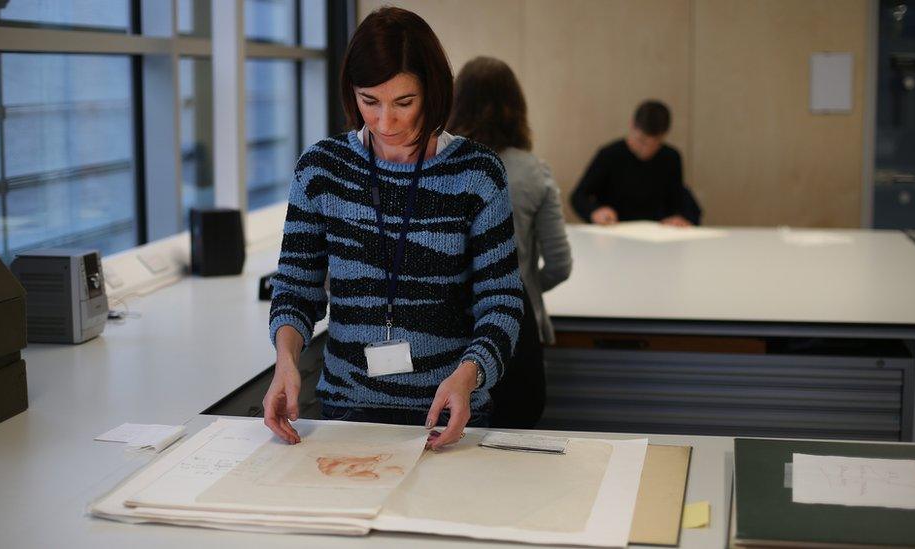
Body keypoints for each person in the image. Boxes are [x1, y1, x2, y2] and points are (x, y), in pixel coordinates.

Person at [262, 7, 523, 450]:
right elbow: (296, 288)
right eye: (370, 102)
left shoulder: (477, 174)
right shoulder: (322, 170)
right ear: (352, 93)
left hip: (449, 413)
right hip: (347, 412)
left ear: (433, 91)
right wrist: (285, 359)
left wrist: (469, 375)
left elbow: (501, 303)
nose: (385, 123)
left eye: (404, 102)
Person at [449, 56, 572, 428]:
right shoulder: (534, 171)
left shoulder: (443, 166)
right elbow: (559, 264)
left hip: (452, 335)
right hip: (517, 335)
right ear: (516, 108)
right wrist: (525, 288)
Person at [570, 100, 702, 226]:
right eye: (641, 141)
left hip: (657, 234)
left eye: (655, 144)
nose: (646, 149)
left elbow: (678, 199)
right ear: (632, 125)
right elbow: (578, 196)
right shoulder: (610, 154)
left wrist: (680, 218)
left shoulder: (671, 157)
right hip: (615, 231)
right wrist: (595, 212)